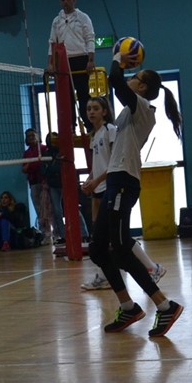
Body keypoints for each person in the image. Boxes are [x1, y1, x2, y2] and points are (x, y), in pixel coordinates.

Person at [94, 52, 184, 336]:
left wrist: (119, 57)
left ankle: (165, 305)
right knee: (97, 249)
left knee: (121, 247)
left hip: (124, 182)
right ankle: (128, 307)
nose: (131, 79)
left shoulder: (142, 106)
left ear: (143, 87)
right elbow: (116, 85)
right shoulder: (131, 110)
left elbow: (115, 80)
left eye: (136, 77)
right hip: (116, 180)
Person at [79, 96, 166, 291]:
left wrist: (97, 181)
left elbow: (114, 161)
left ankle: (152, 267)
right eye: (88, 108)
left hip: (110, 185)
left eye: (95, 108)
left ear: (104, 111)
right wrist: (90, 179)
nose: (91, 112)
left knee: (116, 235)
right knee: (100, 236)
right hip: (99, 187)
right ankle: (104, 276)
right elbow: (97, 163)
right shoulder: (95, 135)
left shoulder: (111, 130)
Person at [46, 0, 95, 132]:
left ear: (74, 0)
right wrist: (50, 63)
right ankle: (71, 127)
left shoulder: (83, 17)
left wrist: (91, 60)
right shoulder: (56, 21)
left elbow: (90, 38)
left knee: (83, 94)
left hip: (80, 59)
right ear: (60, 2)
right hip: (63, 61)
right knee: (67, 97)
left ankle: (89, 126)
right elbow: (52, 42)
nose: (66, 2)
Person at [42, 131, 90, 244]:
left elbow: (63, 168)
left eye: (55, 138)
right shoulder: (46, 154)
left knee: (73, 208)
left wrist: (51, 168)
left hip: (65, 184)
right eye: (51, 139)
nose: (53, 141)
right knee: (57, 212)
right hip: (53, 186)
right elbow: (43, 170)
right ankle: (63, 236)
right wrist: (53, 169)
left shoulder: (64, 152)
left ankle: (84, 234)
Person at [22, 127, 51, 239]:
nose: (31, 137)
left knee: (48, 208)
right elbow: (24, 169)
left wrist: (33, 164)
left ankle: (55, 233)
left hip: (45, 183)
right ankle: (45, 233)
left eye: (33, 135)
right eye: (29, 136)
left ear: (37, 136)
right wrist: (31, 163)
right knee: (39, 209)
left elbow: (44, 165)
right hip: (33, 183)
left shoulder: (44, 148)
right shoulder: (27, 153)